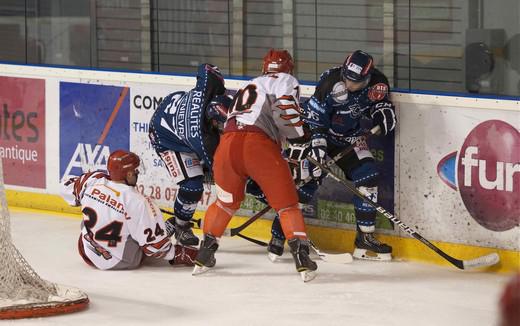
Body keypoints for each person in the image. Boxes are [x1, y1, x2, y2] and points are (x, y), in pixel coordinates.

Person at [193, 49, 318, 282]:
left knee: (225, 203)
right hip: (257, 147)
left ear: (264, 66)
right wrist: (301, 136)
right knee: (287, 205)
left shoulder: (250, 84)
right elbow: (286, 113)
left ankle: (204, 254)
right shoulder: (285, 80)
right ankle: (302, 259)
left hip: (227, 147)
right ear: (289, 67)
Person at [305, 50, 397, 261]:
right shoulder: (330, 80)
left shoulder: (378, 84)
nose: (349, 84)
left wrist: (383, 114)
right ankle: (283, 236)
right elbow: (315, 119)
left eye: (355, 82)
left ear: (367, 77)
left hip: (350, 138)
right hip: (319, 135)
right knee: (307, 178)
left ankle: (365, 239)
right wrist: (317, 149)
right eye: (346, 78)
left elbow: (378, 106)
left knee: (369, 175)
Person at [60, 149, 197, 270]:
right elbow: (156, 249)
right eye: (135, 171)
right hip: (120, 261)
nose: (137, 174)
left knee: (96, 218)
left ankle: (154, 230)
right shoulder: (139, 202)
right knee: (142, 230)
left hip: (87, 251)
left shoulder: (91, 181)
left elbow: (65, 188)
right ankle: (158, 232)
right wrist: (180, 254)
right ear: (129, 174)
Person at [148, 63, 231, 246]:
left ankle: (180, 223)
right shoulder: (201, 139)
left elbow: (206, 69)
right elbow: (221, 173)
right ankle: (181, 226)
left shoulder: (207, 90)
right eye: (222, 127)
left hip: (172, 104)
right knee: (193, 185)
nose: (225, 130)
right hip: (163, 137)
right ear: (214, 124)